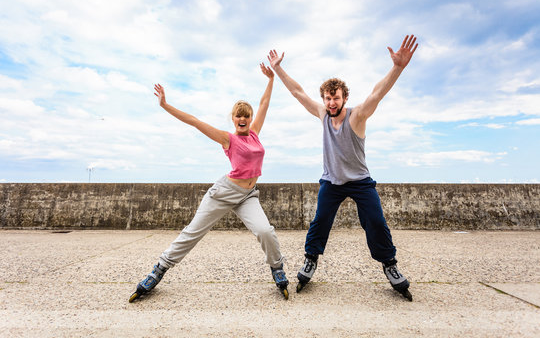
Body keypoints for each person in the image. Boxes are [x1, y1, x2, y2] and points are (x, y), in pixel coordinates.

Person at [267, 35, 418, 300]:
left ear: (344, 97)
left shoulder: (357, 115)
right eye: (327, 98)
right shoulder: (323, 115)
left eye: (335, 98)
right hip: (332, 181)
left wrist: (398, 67)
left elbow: (378, 93)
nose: (331, 103)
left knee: (375, 221)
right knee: (320, 221)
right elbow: (297, 92)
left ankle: (390, 265)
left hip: (360, 181)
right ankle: (311, 259)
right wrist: (278, 68)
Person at [129, 63, 290, 302]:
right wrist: (164, 105)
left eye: (246, 115)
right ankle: (158, 270)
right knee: (193, 232)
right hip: (224, 192)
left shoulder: (255, 133)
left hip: (248, 195)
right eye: (239, 115)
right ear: (233, 119)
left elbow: (265, 103)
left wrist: (270, 80)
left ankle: (277, 269)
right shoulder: (228, 139)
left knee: (265, 231)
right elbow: (194, 121)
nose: (243, 118)